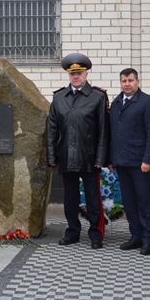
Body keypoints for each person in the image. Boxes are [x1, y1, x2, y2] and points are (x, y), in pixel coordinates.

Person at [46, 53, 110, 249]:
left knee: (93, 198)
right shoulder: (59, 98)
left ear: (86, 74)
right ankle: (72, 231)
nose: (76, 76)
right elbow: (52, 129)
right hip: (66, 156)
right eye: (72, 73)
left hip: (90, 157)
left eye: (80, 73)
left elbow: (103, 130)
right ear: (68, 75)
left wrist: (101, 157)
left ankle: (96, 234)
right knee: (70, 199)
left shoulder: (98, 97)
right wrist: (51, 156)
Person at [109, 68, 150, 255]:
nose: (127, 84)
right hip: (122, 162)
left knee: (144, 201)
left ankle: (148, 239)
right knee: (129, 202)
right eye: (124, 81)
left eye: (130, 80)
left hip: (141, 163)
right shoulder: (116, 103)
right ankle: (136, 236)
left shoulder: (148, 103)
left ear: (137, 81)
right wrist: (111, 159)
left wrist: (148, 160)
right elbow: (112, 133)